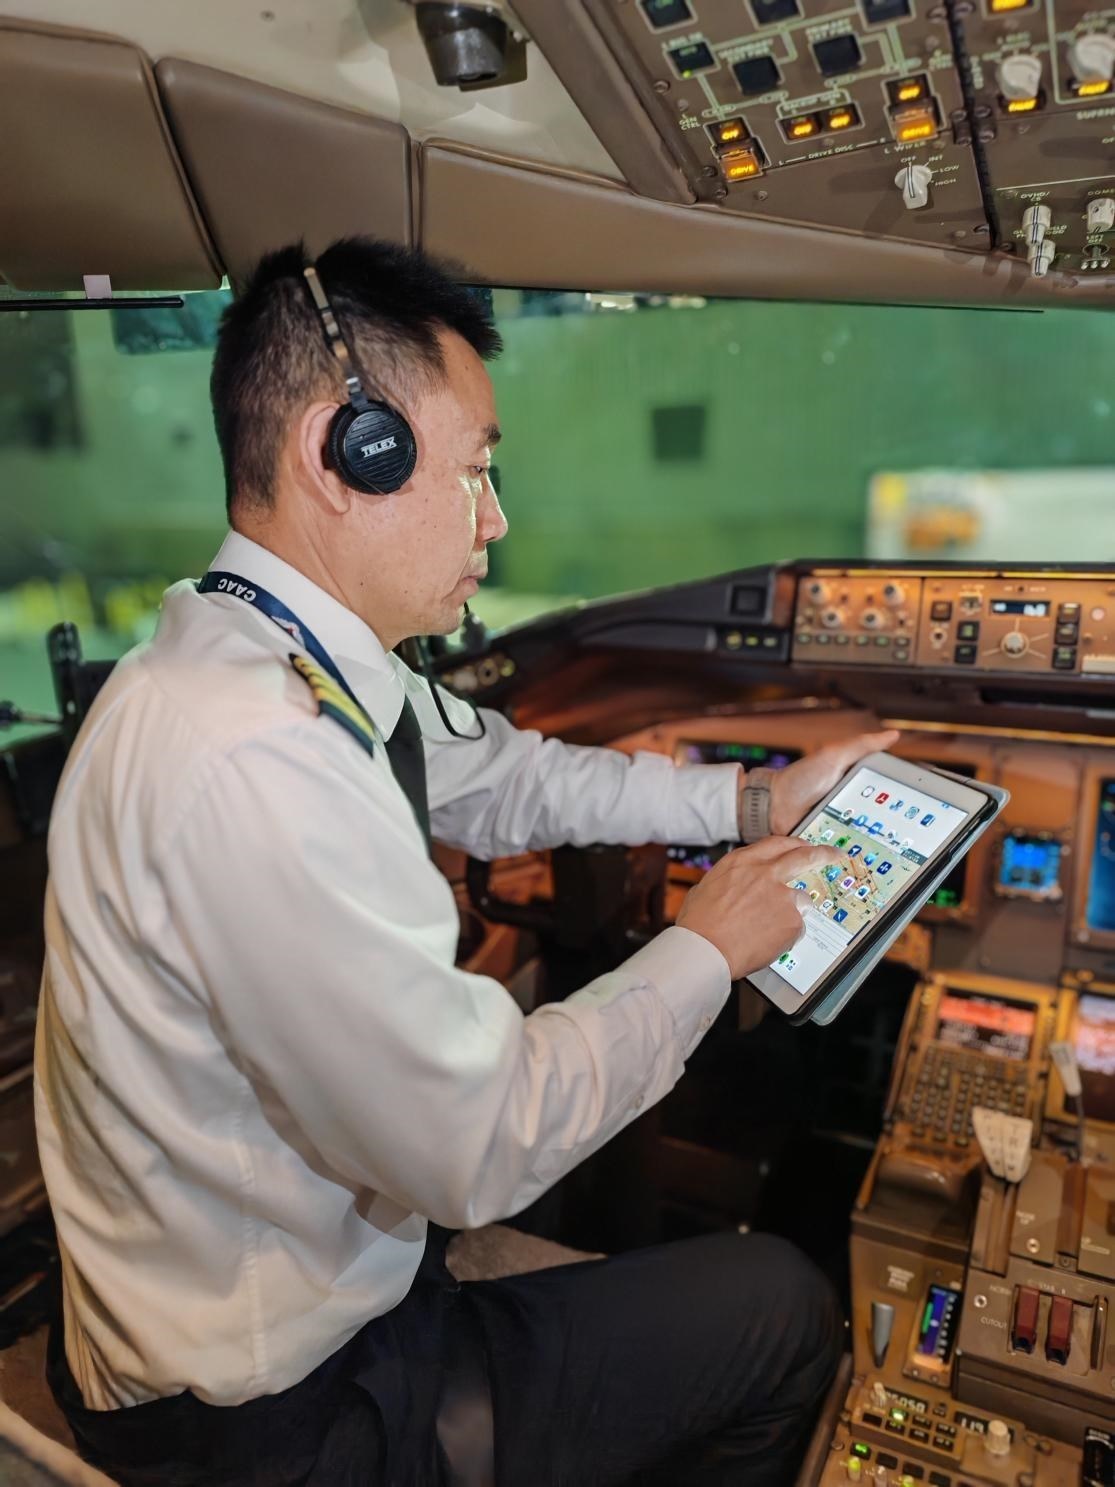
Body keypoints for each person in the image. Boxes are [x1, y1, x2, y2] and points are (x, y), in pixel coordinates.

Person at [34, 236, 895, 1486]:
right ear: (348, 451)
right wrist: (707, 947)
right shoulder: (256, 756)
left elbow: (503, 774)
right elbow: (477, 1145)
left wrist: (750, 796)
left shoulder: (258, 644)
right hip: (271, 1415)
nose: (494, 518)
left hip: (277, 1296)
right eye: (475, 469)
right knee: (780, 1306)